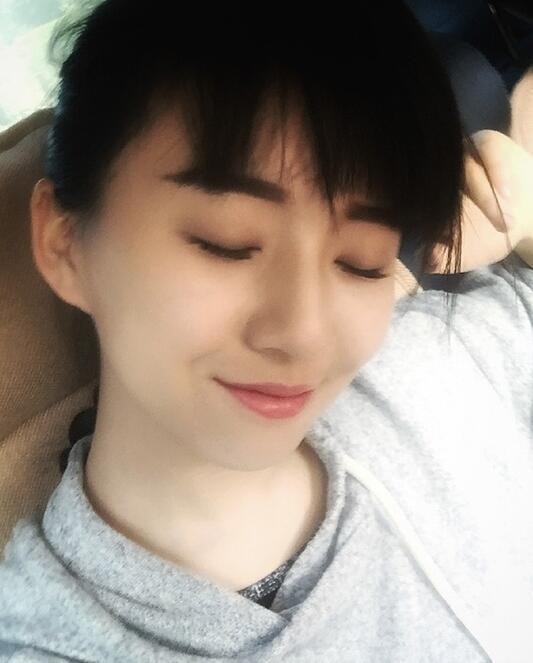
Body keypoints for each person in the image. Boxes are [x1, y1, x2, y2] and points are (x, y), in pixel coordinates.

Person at [0, 1, 532, 661]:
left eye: (361, 260)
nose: (304, 333)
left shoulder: (436, 369)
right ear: (64, 244)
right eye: (226, 243)